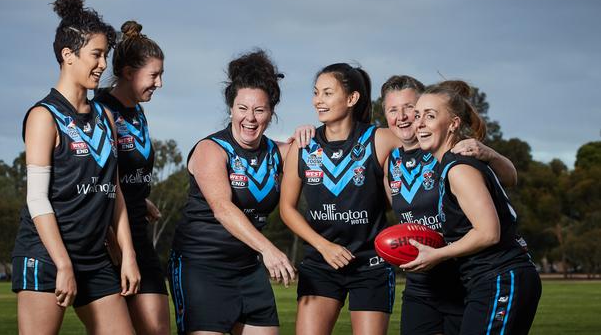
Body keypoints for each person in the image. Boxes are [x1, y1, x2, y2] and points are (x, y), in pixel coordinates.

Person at [11, 0, 140, 334]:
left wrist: (127, 253)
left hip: (94, 258)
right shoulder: (44, 116)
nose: (102, 65)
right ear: (69, 55)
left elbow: (114, 192)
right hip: (46, 255)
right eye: (96, 55)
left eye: (105, 55)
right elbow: (36, 198)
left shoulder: (106, 117)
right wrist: (63, 263)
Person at [168, 49, 297, 335]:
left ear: (271, 113)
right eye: (242, 108)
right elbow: (223, 209)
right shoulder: (211, 149)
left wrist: (308, 135)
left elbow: (332, 152)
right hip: (201, 267)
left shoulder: (281, 153)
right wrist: (269, 250)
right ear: (231, 108)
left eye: (259, 110)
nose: (250, 118)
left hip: (248, 268)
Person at [380, 75, 518, 335]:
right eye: (392, 110)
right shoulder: (392, 162)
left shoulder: (452, 150)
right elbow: (404, 224)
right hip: (422, 284)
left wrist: (489, 152)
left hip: (462, 278)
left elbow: (509, 179)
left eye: (410, 108)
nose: (403, 117)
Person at [280, 63, 401, 335]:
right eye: (316, 93)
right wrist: (324, 246)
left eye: (327, 93)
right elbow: (287, 209)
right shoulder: (302, 147)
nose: (317, 101)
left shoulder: (380, 139)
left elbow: (428, 145)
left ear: (351, 98)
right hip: (321, 263)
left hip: (371, 264)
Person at [94, 20, 170, 335]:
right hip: (107, 242)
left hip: (138, 230)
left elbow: (126, 170)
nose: (160, 83)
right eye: (154, 75)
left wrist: (143, 196)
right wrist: (116, 247)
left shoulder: (138, 110)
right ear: (128, 72)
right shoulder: (99, 109)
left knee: (157, 327)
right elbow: (97, 182)